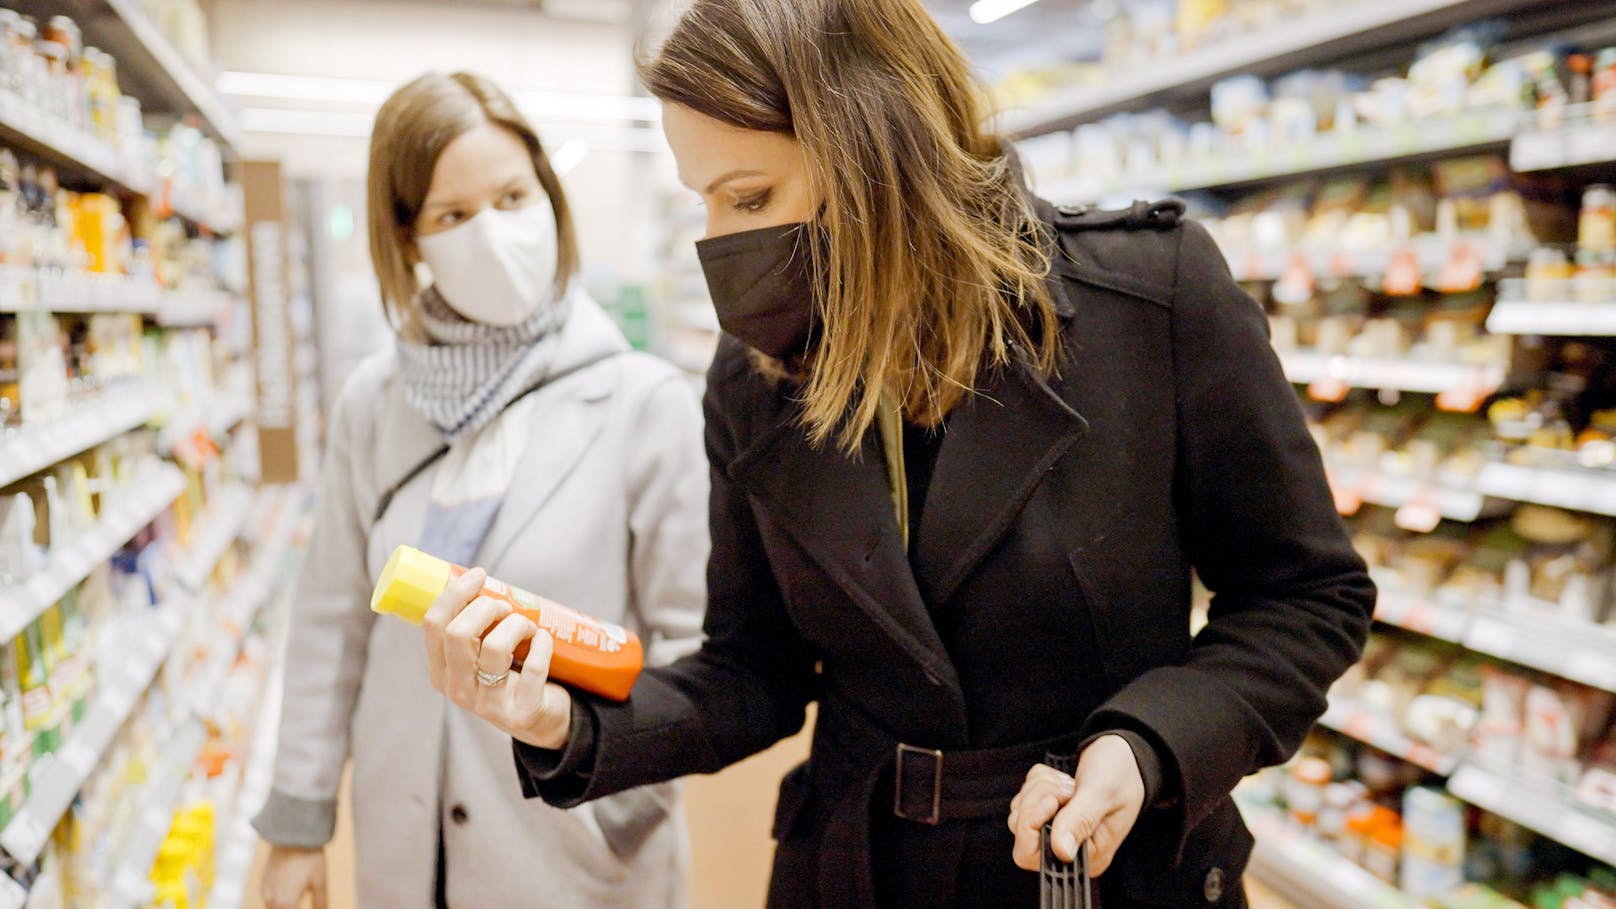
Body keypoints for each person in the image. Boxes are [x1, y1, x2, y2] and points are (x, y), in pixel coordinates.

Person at [422, 1, 1376, 906]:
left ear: (878, 152)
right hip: (857, 867)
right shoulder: (756, 377)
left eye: (748, 196)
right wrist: (566, 718)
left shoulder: (1150, 299)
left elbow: (1305, 596)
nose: (720, 244)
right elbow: (753, 669)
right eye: (703, 204)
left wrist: (1151, 744)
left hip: (1108, 872)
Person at [251, 71, 708, 909]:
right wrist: (298, 824)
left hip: (571, 853)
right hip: (404, 840)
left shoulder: (646, 402)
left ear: (550, 198)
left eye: (511, 196)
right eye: (452, 215)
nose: (492, 234)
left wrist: (618, 801)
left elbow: (697, 656)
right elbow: (330, 624)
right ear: (409, 238)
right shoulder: (373, 404)